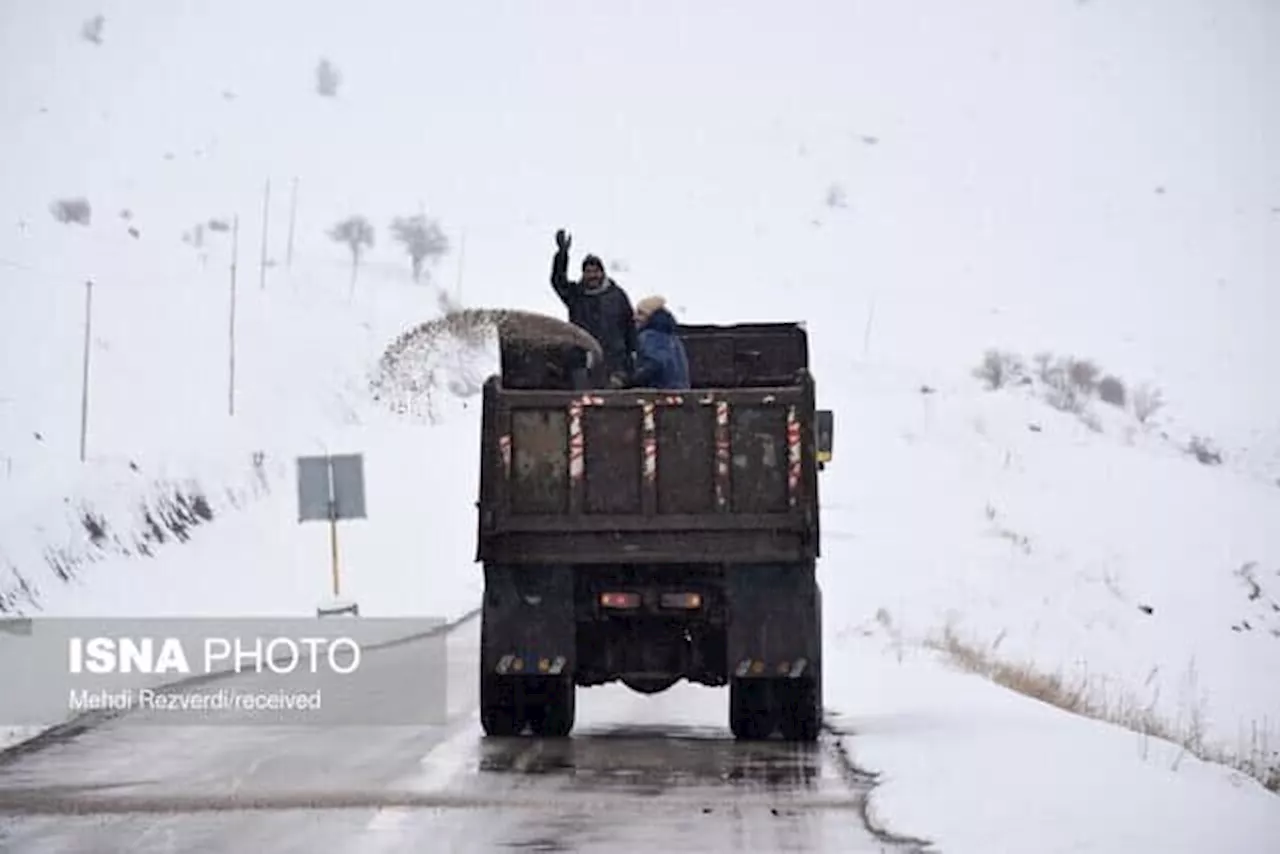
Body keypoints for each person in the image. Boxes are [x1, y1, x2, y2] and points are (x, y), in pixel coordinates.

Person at [549, 229, 636, 387]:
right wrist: (562, 255)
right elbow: (558, 281)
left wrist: (631, 358)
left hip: (614, 363)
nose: (592, 276)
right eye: (588, 272)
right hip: (584, 361)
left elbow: (630, 326)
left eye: (596, 271)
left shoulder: (617, 295)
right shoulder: (576, 295)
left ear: (602, 273)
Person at [629, 295, 690, 390]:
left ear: (651, 316)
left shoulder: (649, 336)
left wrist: (633, 380)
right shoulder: (674, 339)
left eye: (641, 313)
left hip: (660, 391)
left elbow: (654, 364)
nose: (635, 318)